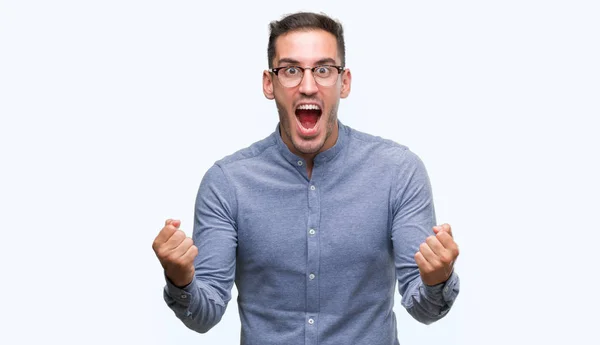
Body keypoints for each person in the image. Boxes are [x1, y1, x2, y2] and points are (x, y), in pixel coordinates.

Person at [152, 11, 460, 345]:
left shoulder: (399, 172)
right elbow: (204, 315)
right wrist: (180, 279)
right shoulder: (227, 183)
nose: (308, 86)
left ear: (345, 83)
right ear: (269, 84)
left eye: (324, 70)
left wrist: (436, 279)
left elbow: (426, 309)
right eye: (291, 70)